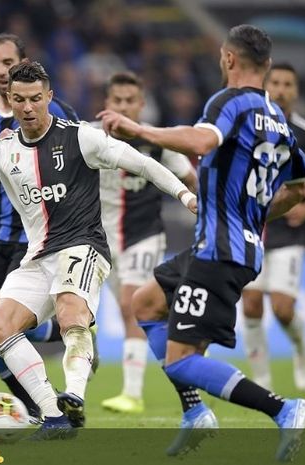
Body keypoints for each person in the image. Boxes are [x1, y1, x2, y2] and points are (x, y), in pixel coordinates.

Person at [0, 61, 197, 438]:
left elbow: (141, 162)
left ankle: (74, 392)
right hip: (37, 256)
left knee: (70, 313)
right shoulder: (4, 150)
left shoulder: (80, 137)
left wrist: (185, 195)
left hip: (84, 246)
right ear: (9, 100)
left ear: (49, 98)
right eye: (20, 100)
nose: (27, 108)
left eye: (35, 99)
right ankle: (53, 414)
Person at [98, 25, 305, 461]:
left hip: (221, 251)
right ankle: (196, 415)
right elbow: (298, 191)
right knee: (145, 304)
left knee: (180, 360)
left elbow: (202, 140)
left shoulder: (229, 102)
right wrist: (251, 214)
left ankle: (284, 409)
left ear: (229, 59)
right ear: (268, 65)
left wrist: (139, 130)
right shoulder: (278, 119)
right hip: (228, 246)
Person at [0, 33, 81, 419]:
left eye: (7, 62)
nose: (0, 71)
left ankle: (65, 338)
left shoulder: (54, 108)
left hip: (39, 236)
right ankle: (36, 405)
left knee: (8, 324)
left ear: (23, 62)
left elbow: (75, 161)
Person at [96, 72, 197, 414]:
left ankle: (132, 394)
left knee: (130, 305)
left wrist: (210, 209)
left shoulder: (157, 140)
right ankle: (186, 331)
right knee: (133, 312)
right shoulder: (90, 138)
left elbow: (189, 177)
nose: (124, 106)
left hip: (144, 234)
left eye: (130, 101)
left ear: (141, 104)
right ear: (107, 104)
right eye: (117, 100)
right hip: (102, 240)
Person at [242, 63, 305, 391]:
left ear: (296, 91)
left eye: (288, 84)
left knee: (282, 309)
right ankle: (262, 378)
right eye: (276, 82)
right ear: (267, 87)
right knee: (251, 304)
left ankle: (301, 347)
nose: (281, 89)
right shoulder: (249, 126)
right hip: (252, 227)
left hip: (289, 231)